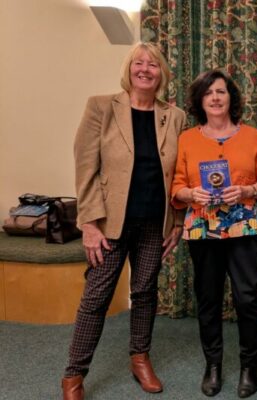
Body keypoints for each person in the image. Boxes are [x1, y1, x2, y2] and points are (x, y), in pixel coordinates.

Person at [63, 42, 186, 400]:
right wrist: (88, 223)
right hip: (109, 225)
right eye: (138, 63)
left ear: (162, 73)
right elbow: (86, 168)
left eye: (153, 64)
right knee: (96, 297)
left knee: (145, 291)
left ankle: (140, 358)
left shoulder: (174, 116)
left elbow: (180, 173)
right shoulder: (101, 107)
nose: (145, 69)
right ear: (129, 69)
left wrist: (177, 221)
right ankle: (73, 375)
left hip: (154, 223)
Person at [171, 70, 257, 398]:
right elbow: (176, 186)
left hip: (244, 227)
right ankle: (213, 365)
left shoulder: (251, 136)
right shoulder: (187, 139)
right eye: (208, 93)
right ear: (199, 101)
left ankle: (249, 366)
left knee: (247, 298)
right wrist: (190, 194)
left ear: (231, 98)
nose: (215, 98)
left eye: (221, 91)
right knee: (208, 298)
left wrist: (247, 190)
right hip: (202, 228)